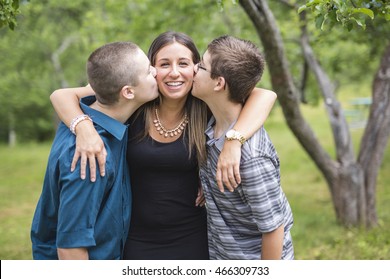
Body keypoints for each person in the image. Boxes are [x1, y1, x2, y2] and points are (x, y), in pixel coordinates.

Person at [49, 31, 278, 259]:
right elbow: (61, 95)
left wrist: (234, 140)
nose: (174, 73)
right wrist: (83, 128)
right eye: (164, 64)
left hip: (192, 237)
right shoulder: (136, 98)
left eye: (184, 63)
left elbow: (265, 95)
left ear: (196, 69)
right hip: (134, 238)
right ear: (152, 69)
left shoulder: (206, 105)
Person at [30, 41, 159, 260]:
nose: (155, 71)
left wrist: (82, 124)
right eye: (148, 71)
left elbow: (61, 94)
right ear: (128, 92)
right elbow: (70, 250)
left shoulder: (83, 114)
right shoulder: (89, 157)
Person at [192, 35, 294, 259]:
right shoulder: (213, 122)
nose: (192, 69)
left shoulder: (251, 159)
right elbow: (263, 94)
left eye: (200, 66)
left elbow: (273, 230)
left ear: (219, 83)